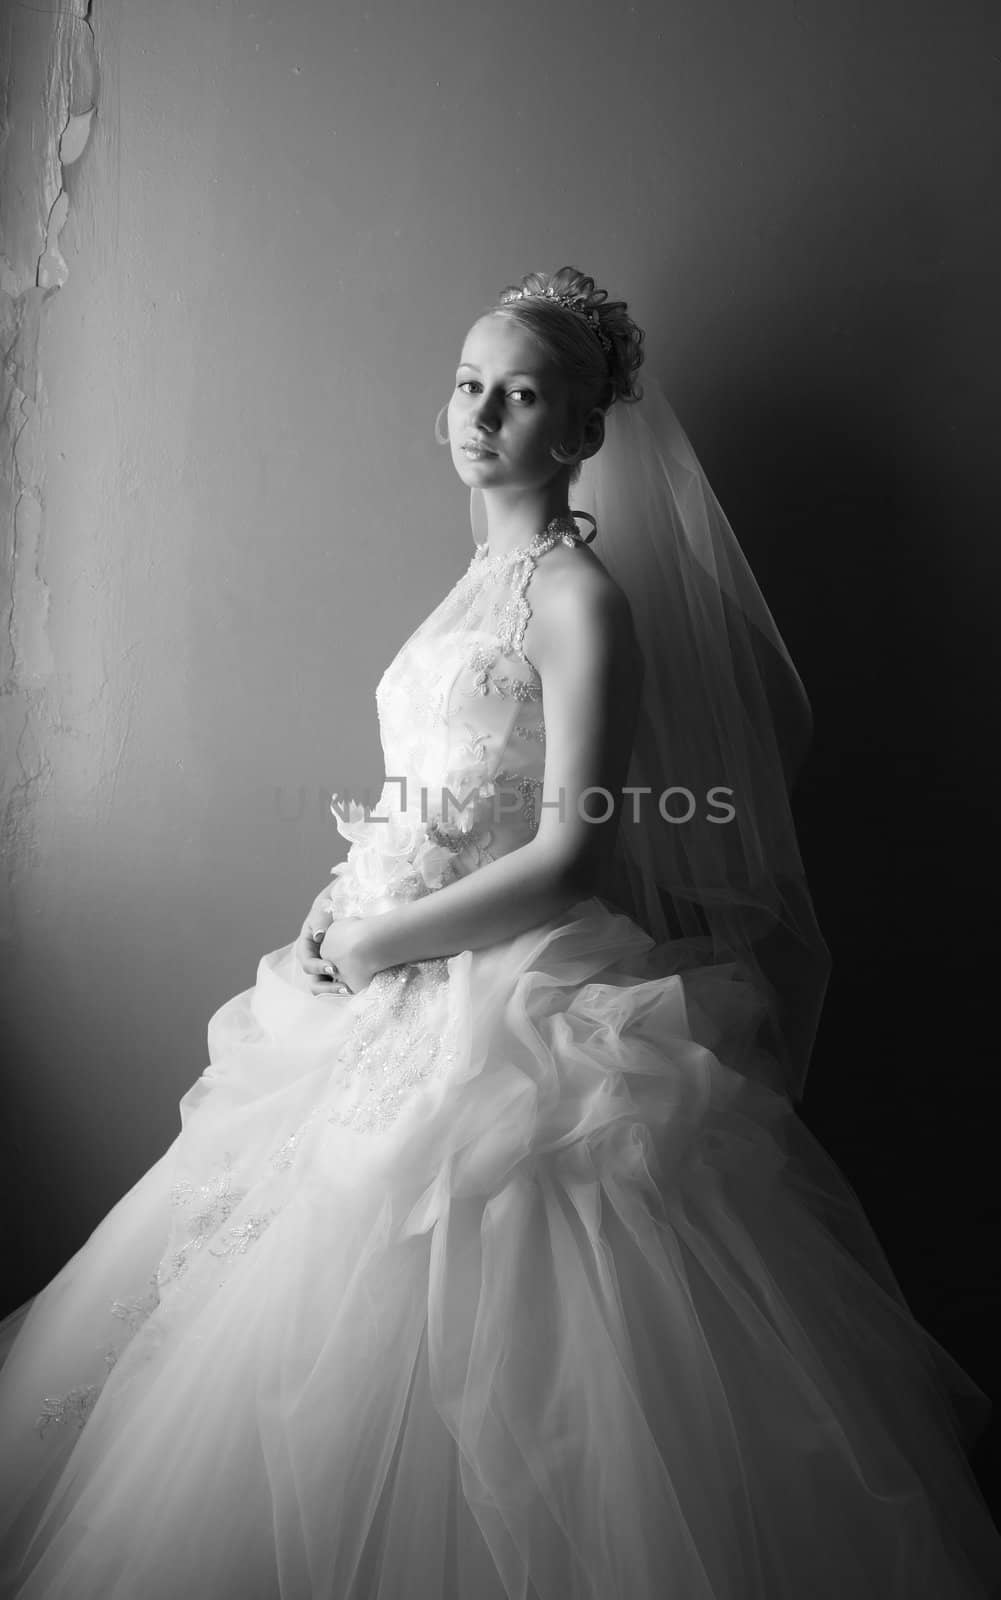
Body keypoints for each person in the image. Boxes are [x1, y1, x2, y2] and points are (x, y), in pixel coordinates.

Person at [0, 266, 998, 1599]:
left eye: (522, 395)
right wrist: (346, 901)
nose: (482, 412)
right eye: (469, 383)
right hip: (396, 961)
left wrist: (381, 940)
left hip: (504, 1000)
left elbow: (570, 847)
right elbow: (439, 791)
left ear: (579, 434)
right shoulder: (478, 586)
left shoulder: (582, 603)